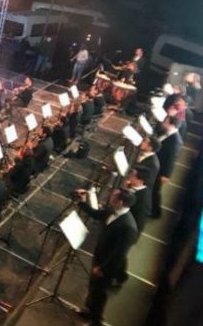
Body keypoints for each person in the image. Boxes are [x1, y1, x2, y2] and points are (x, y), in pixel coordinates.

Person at [75, 188, 138, 326]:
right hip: (100, 257)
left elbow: (119, 254)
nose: (110, 197)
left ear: (120, 202)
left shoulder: (128, 227)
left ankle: (96, 321)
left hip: (107, 266)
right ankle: (89, 312)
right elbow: (97, 215)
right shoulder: (112, 210)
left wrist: (102, 268)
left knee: (100, 293)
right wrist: (82, 203)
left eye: (114, 196)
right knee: (94, 287)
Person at [152, 117, 181, 218]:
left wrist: (165, 174)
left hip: (161, 169)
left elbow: (171, 159)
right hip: (158, 164)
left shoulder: (174, 140)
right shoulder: (168, 133)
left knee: (155, 190)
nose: (163, 123)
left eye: (165, 122)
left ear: (171, 124)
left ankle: (156, 212)